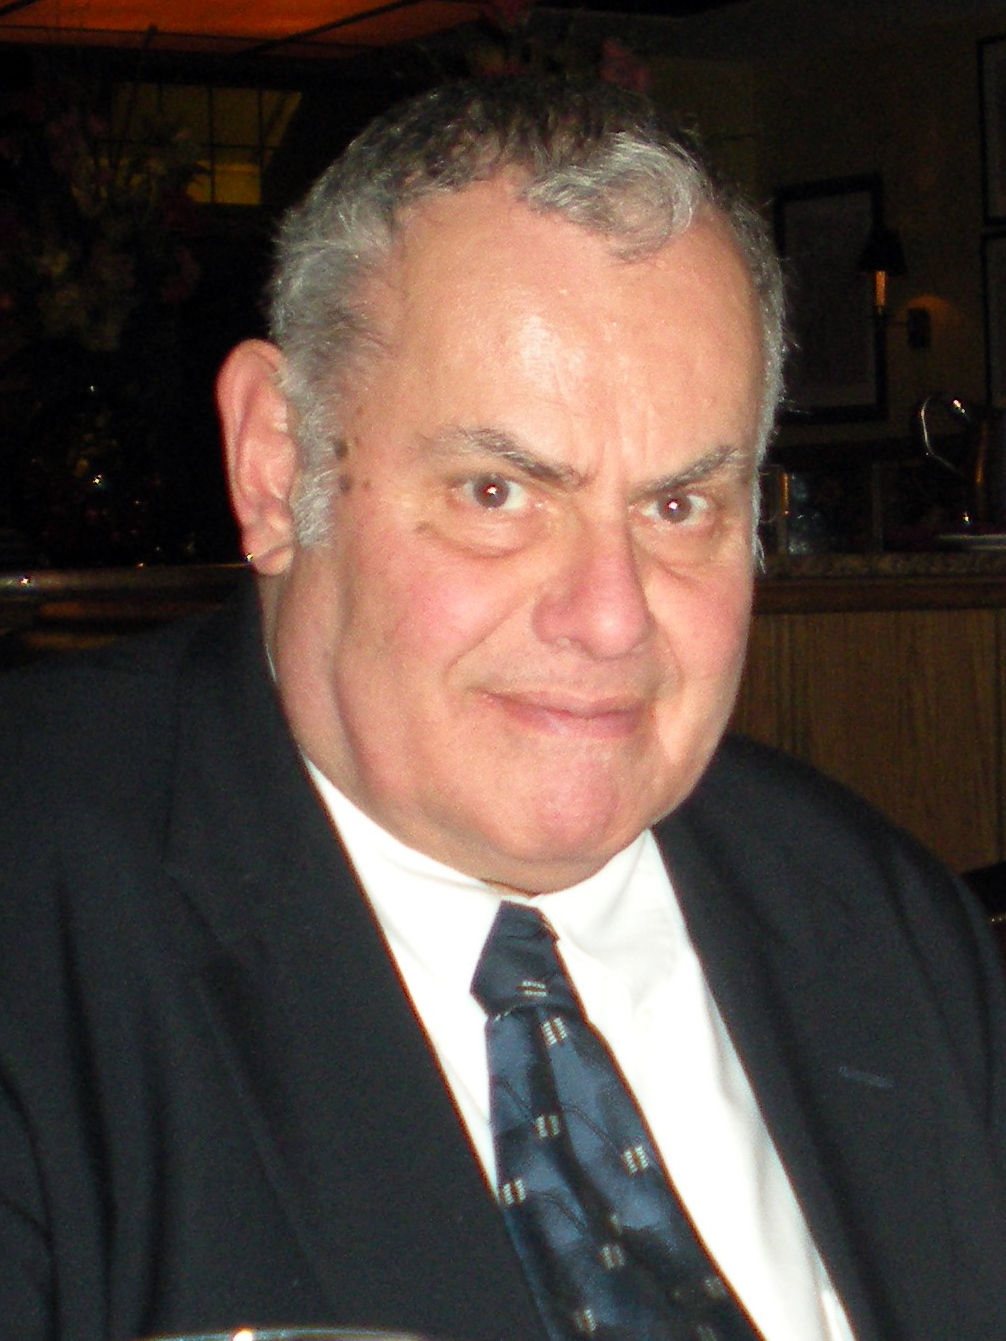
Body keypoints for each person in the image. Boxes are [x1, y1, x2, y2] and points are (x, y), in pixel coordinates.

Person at [0, 77, 1004, 1341]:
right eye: (498, 492)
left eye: (678, 506)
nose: (610, 617)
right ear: (277, 465)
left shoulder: (882, 923)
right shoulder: (35, 918)